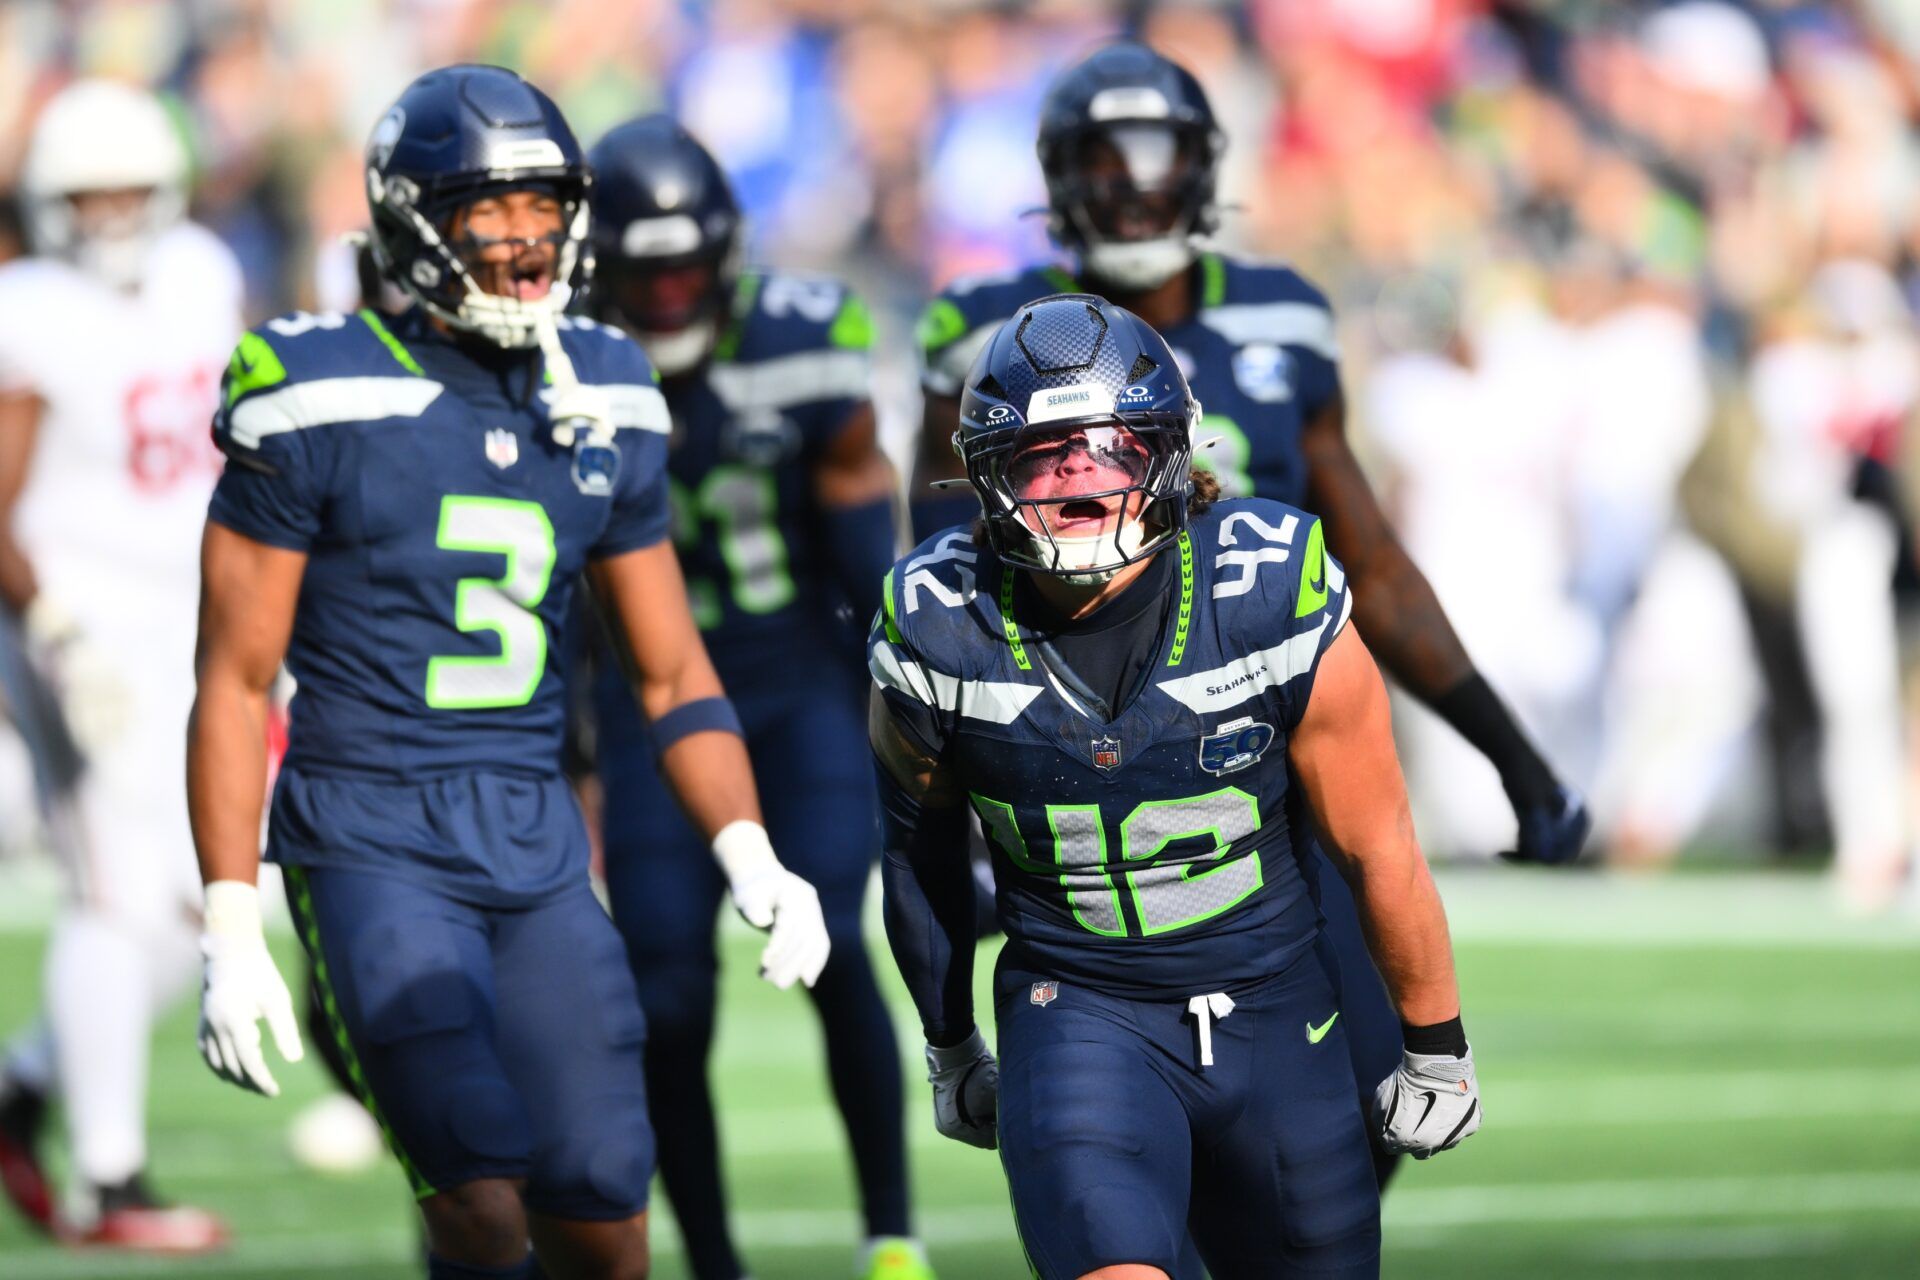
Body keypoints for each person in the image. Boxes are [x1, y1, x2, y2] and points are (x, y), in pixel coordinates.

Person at [185, 66, 830, 1280]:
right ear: (414, 219)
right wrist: (231, 925)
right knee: (479, 1199)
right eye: (490, 209)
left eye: (545, 204)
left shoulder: (608, 388)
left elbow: (671, 666)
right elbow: (233, 676)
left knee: (602, 1214)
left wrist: (750, 849)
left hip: (534, 837)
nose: (527, 238)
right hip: (370, 828)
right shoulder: (312, 385)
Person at [912, 42, 1580, 1184]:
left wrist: (1512, 752)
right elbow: (939, 585)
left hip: (1269, 768)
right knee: (1124, 1149)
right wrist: (958, 810)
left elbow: (1372, 559)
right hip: (1081, 781)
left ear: (1206, 168)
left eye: (1155, 156)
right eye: (1101, 159)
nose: (1129, 185)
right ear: (1057, 175)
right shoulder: (982, 329)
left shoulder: (1283, 318)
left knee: (1364, 1116)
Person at [874, 293, 1480, 1280]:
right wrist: (950, 1045)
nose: (1075, 471)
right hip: (1079, 1010)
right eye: (1042, 450)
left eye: (1105, 443)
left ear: (1164, 453)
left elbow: (1379, 842)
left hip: (1280, 1015)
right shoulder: (940, 621)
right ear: (987, 473)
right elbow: (918, 849)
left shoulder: (1267, 590)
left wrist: (1437, 1039)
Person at [582, 116, 928, 1280]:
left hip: (793, 684)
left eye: (687, 269)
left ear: (726, 256)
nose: (669, 293)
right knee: (665, 990)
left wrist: (911, 704)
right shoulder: (569, 357)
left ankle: (892, 1232)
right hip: (647, 705)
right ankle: (715, 1261)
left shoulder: (804, 336)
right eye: (645, 273)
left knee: (832, 937)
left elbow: (860, 554)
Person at [0, 78, 239, 1251]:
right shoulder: (27, 308)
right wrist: (51, 628)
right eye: (85, 194)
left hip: (194, 621)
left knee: (196, 900)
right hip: (75, 623)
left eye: (128, 190)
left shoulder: (203, 272)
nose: (109, 214)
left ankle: (22, 1086)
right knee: (112, 887)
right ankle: (108, 1177)